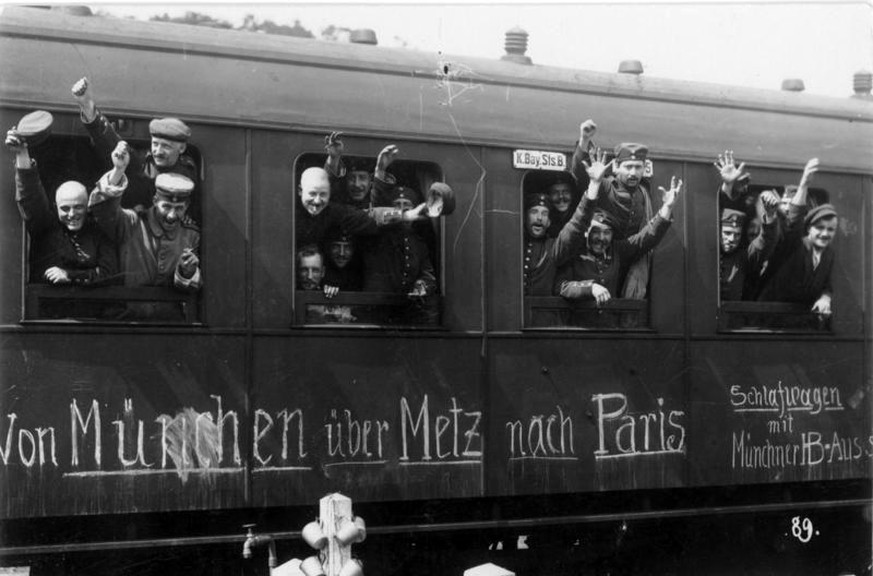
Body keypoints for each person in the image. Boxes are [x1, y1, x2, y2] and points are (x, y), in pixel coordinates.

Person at [6, 126, 117, 317]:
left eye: (78, 207)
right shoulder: (47, 229)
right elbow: (31, 196)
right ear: (56, 207)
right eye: (65, 208)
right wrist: (22, 152)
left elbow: (110, 274)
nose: (72, 214)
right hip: (49, 316)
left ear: (87, 206)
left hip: (93, 318)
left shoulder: (97, 233)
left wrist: (69, 276)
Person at [88, 141, 201, 319]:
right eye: (167, 206)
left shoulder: (191, 234)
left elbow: (189, 289)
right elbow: (103, 210)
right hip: (126, 322)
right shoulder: (133, 221)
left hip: (169, 327)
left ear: (187, 206)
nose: (172, 215)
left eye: (179, 208)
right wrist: (118, 171)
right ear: (155, 200)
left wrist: (186, 273)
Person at [556, 158, 682, 314]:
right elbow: (562, 286)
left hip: (609, 327)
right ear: (587, 231)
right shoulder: (575, 250)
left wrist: (667, 208)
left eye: (607, 233)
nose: (601, 238)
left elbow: (647, 238)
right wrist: (591, 288)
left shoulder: (617, 251)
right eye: (596, 231)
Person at [72, 77, 199, 211]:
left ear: (182, 148)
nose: (158, 151)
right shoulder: (142, 161)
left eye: (166, 146)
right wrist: (88, 109)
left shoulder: (188, 170)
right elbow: (110, 140)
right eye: (155, 144)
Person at [757, 159, 835, 316]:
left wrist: (825, 298)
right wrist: (804, 184)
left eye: (830, 229)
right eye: (820, 228)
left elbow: (827, 284)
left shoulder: (827, 254)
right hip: (768, 320)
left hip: (797, 322)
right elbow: (793, 224)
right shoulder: (791, 243)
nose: (825, 233)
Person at [362, 186, 439, 325]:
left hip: (407, 314)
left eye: (407, 206)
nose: (403, 210)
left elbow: (428, 276)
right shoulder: (376, 235)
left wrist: (421, 286)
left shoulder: (419, 244)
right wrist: (400, 215)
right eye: (397, 206)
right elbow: (369, 215)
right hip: (376, 314)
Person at [718, 189, 779, 301]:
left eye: (737, 234)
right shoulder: (707, 252)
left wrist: (769, 216)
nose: (731, 239)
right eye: (727, 233)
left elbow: (765, 240)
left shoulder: (743, 258)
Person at [296, 245, 354, 323]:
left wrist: (333, 298)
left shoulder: (328, 292)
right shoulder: (290, 294)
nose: (309, 276)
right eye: (304, 270)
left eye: (315, 270)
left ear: (323, 272)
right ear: (297, 271)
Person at [323, 131, 373, 209]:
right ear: (345, 181)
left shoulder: (378, 204)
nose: (357, 184)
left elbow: (393, 215)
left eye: (362, 178)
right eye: (352, 178)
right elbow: (327, 182)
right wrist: (333, 158)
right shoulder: (338, 204)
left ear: (370, 182)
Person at [545, 172, 580, 238]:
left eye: (566, 192)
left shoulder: (578, 218)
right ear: (549, 196)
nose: (561, 196)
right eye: (555, 192)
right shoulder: (545, 219)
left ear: (572, 195)